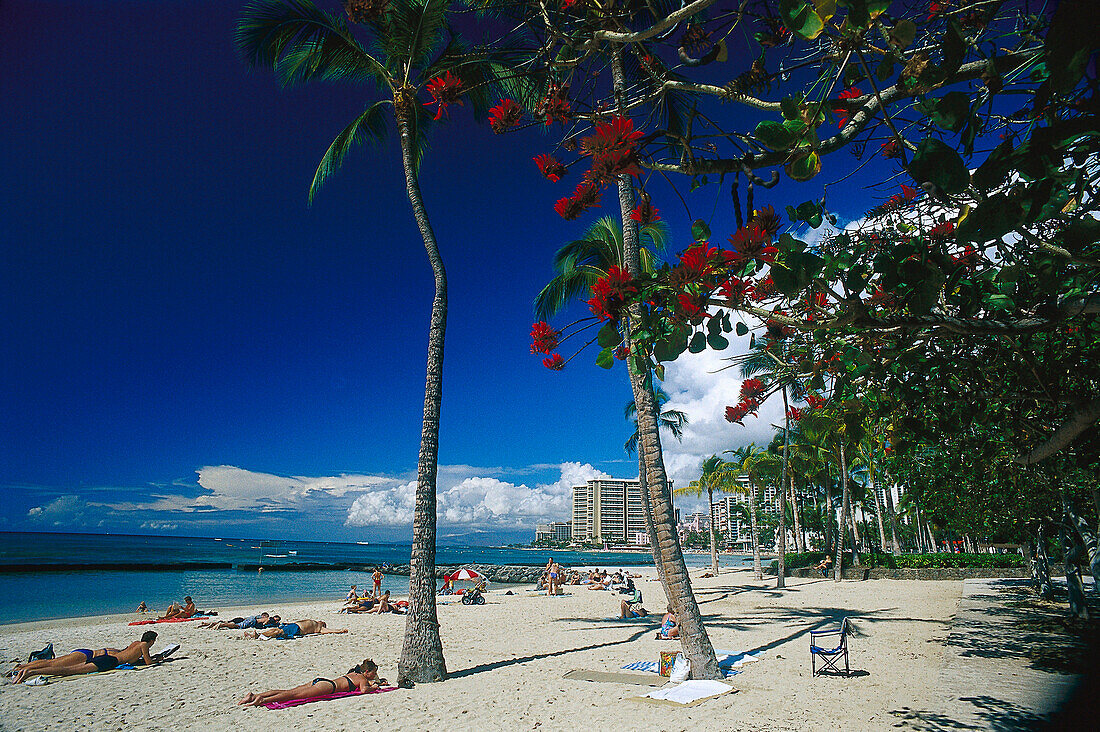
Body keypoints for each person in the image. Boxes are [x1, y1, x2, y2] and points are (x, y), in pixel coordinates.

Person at [11, 632, 158, 683]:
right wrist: (159, 660)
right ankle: (31, 672)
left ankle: (25, 669)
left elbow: (130, 657)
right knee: (69, 670)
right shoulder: (144, 646)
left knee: (58, 664)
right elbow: (148, 662)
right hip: (108, 661)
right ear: (151, 641)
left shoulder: (134, 643)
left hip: (103, 657)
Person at [237, 658, 382, 706]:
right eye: (373, 673)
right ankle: (262, 699)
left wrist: (374, 682)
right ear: (366, 672)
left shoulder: (354, 673)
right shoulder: (362, 678)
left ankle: (254, 695)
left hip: (322, 681)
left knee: (289, 691)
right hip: (328, 687)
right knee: (293, 696)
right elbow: (364, 690)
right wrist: (374, 686)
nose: (374, 675)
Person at [245, 619, 346, 640]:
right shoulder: (314, 621)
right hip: (294, 625)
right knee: (277, 629)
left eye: (323, 622)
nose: (321, 621)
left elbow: (331, 630)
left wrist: (340, 630)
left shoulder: (320, 628)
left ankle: (257, 635)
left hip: (297, 629)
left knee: (278, 632)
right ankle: (259, 634)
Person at [202, 612, 279, 630]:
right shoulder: (269, 619)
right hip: (252, 621)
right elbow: (264, 624)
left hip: (250, 618)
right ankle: (222, 625)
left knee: (231, 622)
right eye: (277, 620)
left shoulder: (263, 616)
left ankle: (208, 623)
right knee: (238, 626)